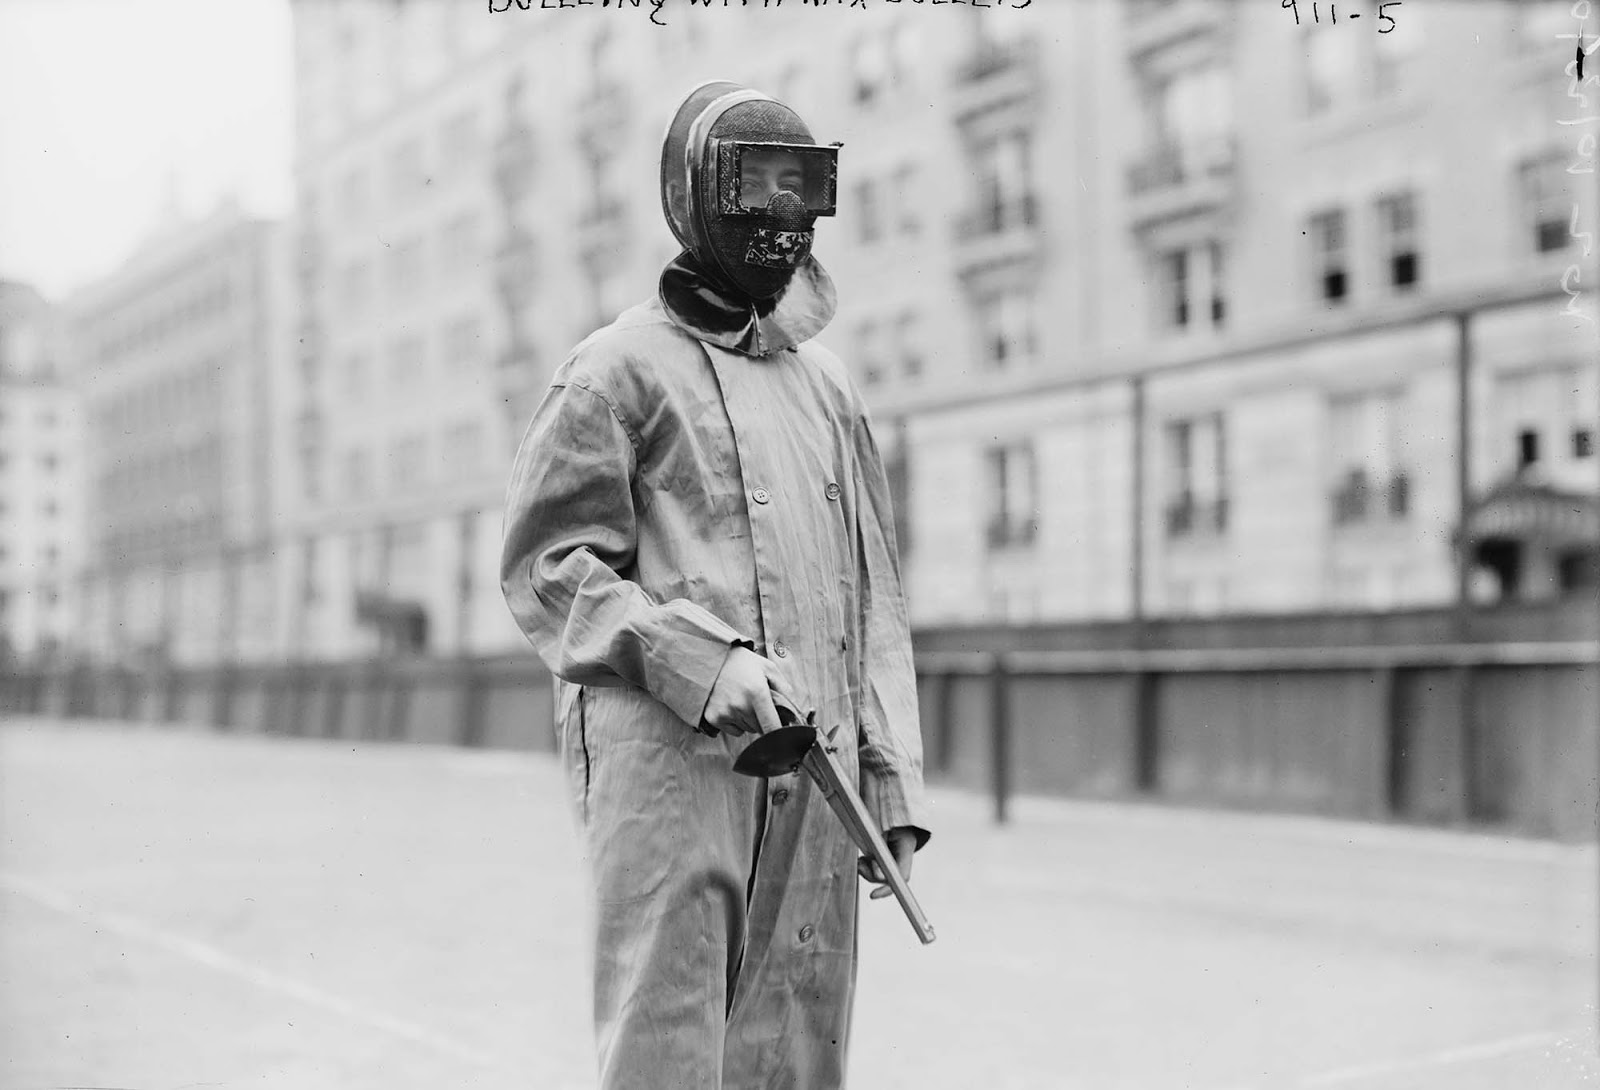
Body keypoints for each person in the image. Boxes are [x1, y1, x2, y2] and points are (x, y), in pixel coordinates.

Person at [500, 80, 931, 1089]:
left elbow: (874, 601)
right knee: (671, 1054)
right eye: (756, 187)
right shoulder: (613, 375)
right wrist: (700, 659)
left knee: (795, 1049)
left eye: (804, 189)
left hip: (818, 785)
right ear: (697, 199)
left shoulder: (828, 389)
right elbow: (547, 570)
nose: (782, 219)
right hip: (674, 777)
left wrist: (890, 786)